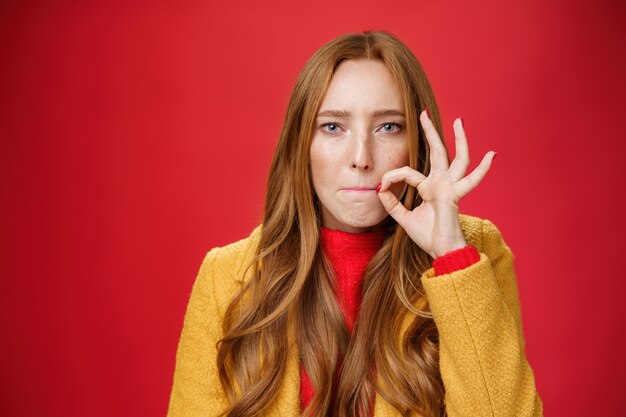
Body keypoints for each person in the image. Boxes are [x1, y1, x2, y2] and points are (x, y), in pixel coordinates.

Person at [167, 31, 542, 417]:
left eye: (388, 127)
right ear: (302, 145)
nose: (361, 158)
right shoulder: (225, 277)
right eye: (333, 127)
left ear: (420, 144)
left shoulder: (471, 253)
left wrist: (449, 256)